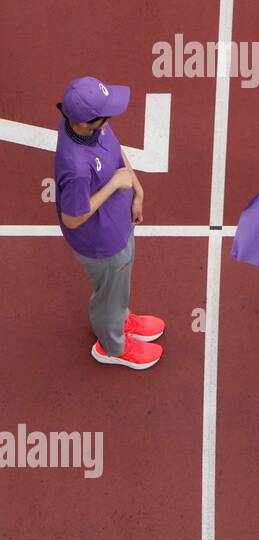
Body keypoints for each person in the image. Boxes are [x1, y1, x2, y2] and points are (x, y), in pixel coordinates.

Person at [54, 76, 166, 369]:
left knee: (116, 289)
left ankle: (119, 318)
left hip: (117, 222)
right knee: (109, 293)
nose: (112, 116)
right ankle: (112, 346)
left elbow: (115, 150)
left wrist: (137, 188)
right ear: (87, 122)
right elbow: (72, 217)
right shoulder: (77, 168)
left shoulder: (88, 125)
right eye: (107, 113)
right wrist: (116, 183)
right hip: (101, 241)